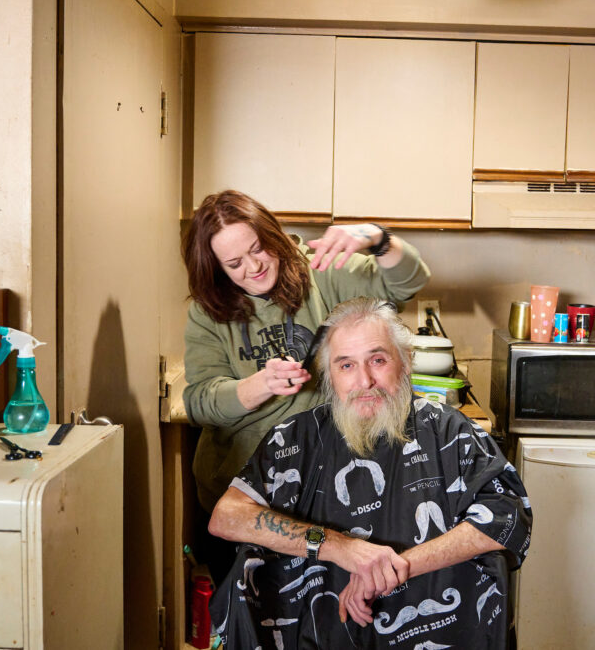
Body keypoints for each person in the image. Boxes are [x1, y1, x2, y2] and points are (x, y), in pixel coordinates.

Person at [207, 297, 532, 649]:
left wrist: (393, 569)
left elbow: (507, 519)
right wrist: (340, 548)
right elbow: (226, 517)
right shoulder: (296, 439)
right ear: (329, 375)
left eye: (378, 360)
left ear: (405, 362)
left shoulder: (448, 432)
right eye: (346, 365)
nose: (365, 380)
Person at [183, 191, 431, 573]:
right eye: (234, 263)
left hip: (325, 490)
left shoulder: (321, 273)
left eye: (258, 248)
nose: (253, 267)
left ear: (272, 234)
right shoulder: (207, 312)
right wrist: (260, 385)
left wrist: (378, 238)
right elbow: (199, 403)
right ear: (216, 268)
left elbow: (408, 283)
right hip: (243, 495)